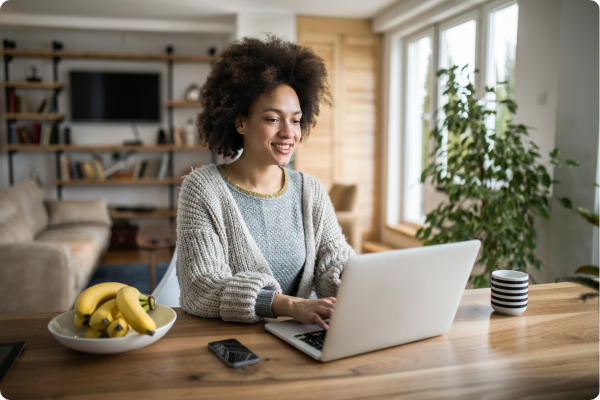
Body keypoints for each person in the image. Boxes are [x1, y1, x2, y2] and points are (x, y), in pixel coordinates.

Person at [176, 35, 356, 330]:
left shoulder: (310, 190)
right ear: (240, 122)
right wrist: (289, 305)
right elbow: (201, 287)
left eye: (296, 120)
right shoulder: (202, 189)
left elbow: (334, 260)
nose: (289, 132)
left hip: (303, 336)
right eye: (273, 119)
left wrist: (354, 280)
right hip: (235, 343)